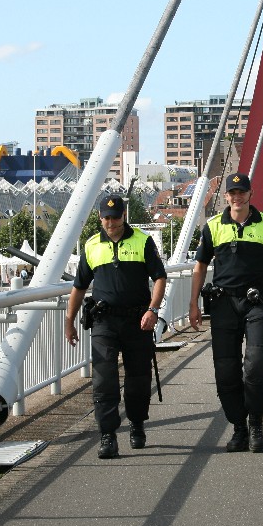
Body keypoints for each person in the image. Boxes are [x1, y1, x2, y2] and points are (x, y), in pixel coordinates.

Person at [189, 172, 263, 453]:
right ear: (226, 196)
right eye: (232, 193)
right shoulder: (213, 227)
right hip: (224, 304)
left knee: (257, 364)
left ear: (250, 194)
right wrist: (193, 304)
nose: (237, 197)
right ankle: (239, 427)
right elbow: (200, 266)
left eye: (242, 192)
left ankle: (256, 421)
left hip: (257, 302)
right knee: (226, 373)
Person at [65, 195, 167, 459]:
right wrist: (69, 321)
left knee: (139, 378)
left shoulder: (143, 241)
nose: (111, 223)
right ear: (100, 218)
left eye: (115, 217)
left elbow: (159, 277)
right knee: (104, 380)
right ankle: (107, 435)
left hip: (138, 321)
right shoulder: (91, 245)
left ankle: (137, 423)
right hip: (104, 322)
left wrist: (153, 310)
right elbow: (79, 287)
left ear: (124, 216)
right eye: (106, 218)